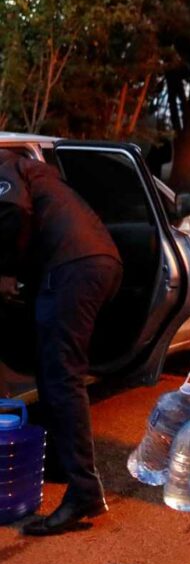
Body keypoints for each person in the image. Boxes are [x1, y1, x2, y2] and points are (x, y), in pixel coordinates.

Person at [0, 151, 123, 536]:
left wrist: (5, 270)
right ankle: (58, 463)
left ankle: (84, 491)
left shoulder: (4, 165)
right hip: (94, 260)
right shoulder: (29, 166)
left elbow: (12, 213)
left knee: (61, 376)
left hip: (73, 265)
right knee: (53, 370)